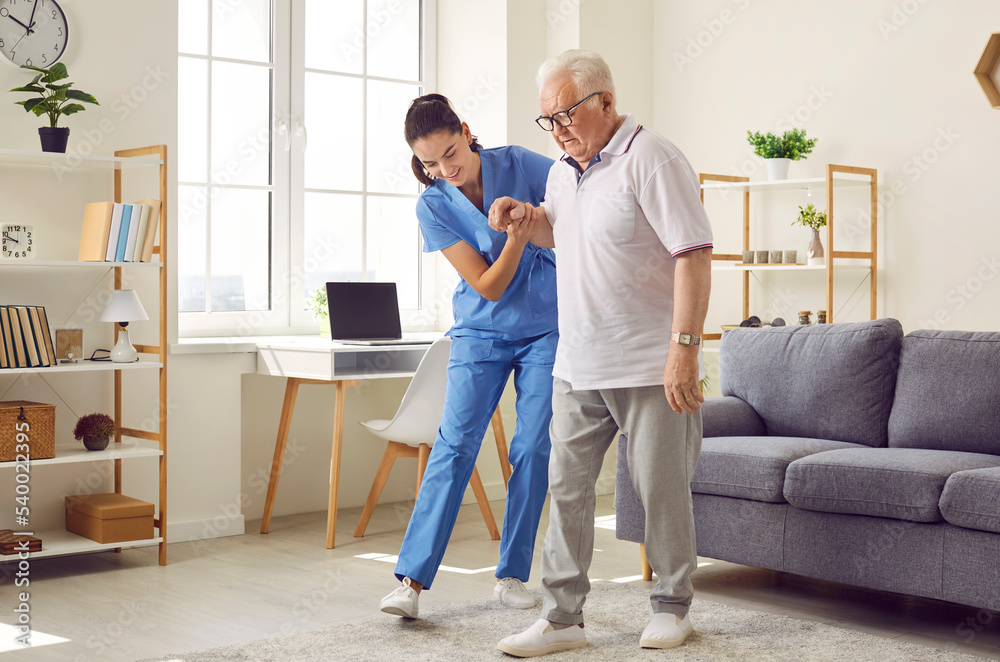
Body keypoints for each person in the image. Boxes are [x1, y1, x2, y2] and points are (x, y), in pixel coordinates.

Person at [489, 50, 713, 656]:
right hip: (578, 362)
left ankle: (673, 606)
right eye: (548, 119)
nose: (557, 129)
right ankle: (563, 619)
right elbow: (566, 234)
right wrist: (526, 220)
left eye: (566, 114)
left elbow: (692, 254)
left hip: (649, 362)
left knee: (659, 488)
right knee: (566, 488)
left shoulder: (653, 158)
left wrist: (684, 351)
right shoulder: (563, 172)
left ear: (605, 102)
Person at [378, 94, 558, 619]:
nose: (445, 169)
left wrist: (533, 221)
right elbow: (487, 284)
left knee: (530, 448)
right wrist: (519, 241)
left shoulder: (522, 163)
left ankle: (511, 576)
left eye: (450, 153)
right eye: (430, 163)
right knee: (454, 447)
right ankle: (410, 582)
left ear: (466, 130)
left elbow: (580, 192)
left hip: (547, 329)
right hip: (480, 331)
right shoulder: (433, 204)